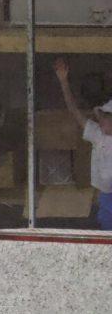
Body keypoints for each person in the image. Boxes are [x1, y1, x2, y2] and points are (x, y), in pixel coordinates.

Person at [54, 57, 112, 229]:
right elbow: (73, 110)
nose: (101, 120)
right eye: (101, 116)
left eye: (105, 116)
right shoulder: (97, 134)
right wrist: (63, 81)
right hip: (106, 195)